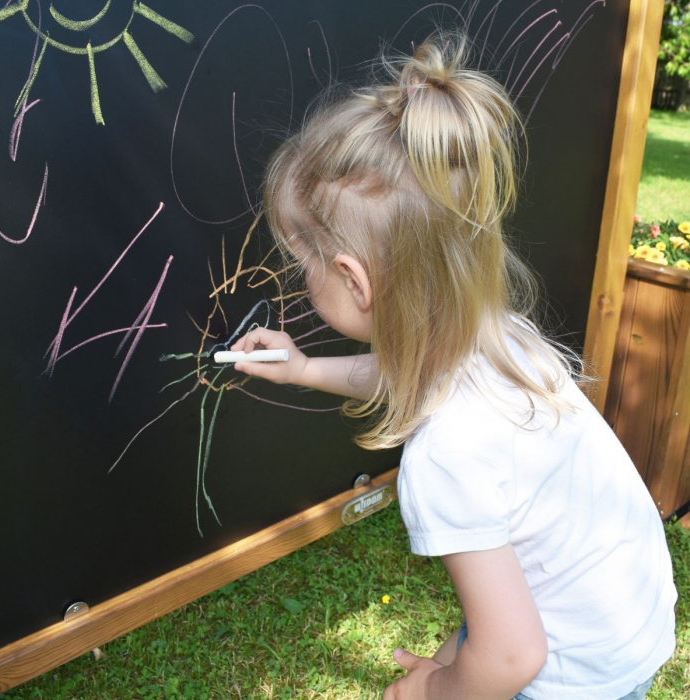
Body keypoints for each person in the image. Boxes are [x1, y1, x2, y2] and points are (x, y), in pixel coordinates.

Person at [229, 29, 677, 700]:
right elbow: (399, 373)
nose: (299, 280)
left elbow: (511, 658)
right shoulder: (498, 335)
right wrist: (303, 370)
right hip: (624, 618)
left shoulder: (445, 454)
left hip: (574, 674)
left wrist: (430, 693)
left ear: (355, 282)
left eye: (302, 265)